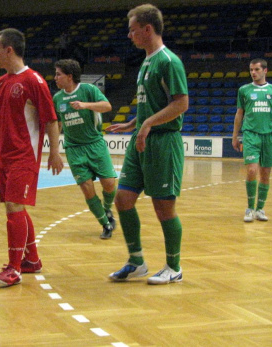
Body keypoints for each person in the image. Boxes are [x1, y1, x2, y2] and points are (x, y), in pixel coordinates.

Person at [0, 28, 63, 287]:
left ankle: (14, 268)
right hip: (5, 157)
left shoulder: (33, 81)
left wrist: (54, 152)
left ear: (9, 50)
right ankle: (32, 261)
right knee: (17, 207)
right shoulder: (1, 82)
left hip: (24, 157)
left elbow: (50, 119)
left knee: (14, 208)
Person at [105, 4, 189, 285]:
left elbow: (181, 103)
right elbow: (150, 104)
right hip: (139, 140)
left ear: (147, 29)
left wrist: (148, 123)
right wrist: (134, 123)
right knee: (123, 199)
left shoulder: (169, 61)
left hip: (163, 142)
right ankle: (137, 260)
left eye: (132, 30)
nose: (129, 35)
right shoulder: (146, 62)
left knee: (163, 208)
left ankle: (174, 267)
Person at [53, 59, 117, 239]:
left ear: (70, 76)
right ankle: (105, 224)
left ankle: (107, 209)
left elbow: (107, 106)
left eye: (58, 74)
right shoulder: (57, 98)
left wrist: (85, 105)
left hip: (95, 144)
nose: (55, 77)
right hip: (74, 149)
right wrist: (55, 150)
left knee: (110, 184)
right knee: (87, 188)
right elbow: (57, 123)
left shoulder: (88, 90)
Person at [232, 58, 272, 223]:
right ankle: (250, 208)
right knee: (252, 170)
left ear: (265, 71)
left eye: (257, 69)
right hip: (251, 134)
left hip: (270, 135)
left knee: (265, 174)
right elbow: (239, 113)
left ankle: (260, 209)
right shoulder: (244, 90)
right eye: (251, 69)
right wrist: (235, 135)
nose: (253, 72)